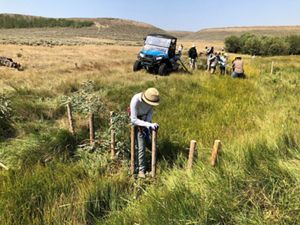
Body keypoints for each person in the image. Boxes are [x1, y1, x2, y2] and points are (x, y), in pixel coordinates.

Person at [130, 87, 160, 178]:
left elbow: (150, 112)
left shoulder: (152, 100)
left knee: (148, 141)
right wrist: (145, 125)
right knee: (141, 145)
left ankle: (157, 155)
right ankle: (141, 170)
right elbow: (133, 119)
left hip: (146, 121)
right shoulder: (136, 100)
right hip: (137, 121)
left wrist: (149, 123)